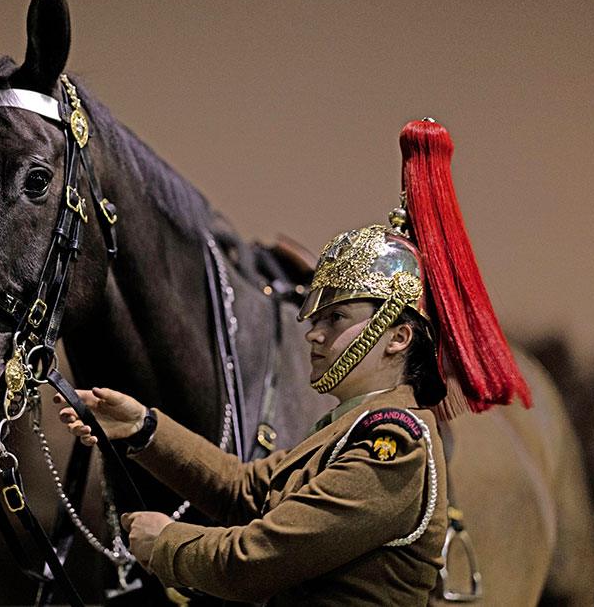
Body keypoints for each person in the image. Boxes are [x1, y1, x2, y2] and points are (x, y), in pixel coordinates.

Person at [57, 119, 530, 605]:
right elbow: (242, 490)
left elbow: (252, 561)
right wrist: (145, 429)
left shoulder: (394, 447)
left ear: (398, 337)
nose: (315, 334)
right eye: (316, 319)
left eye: (337, 318)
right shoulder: (342, 431)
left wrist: (166, 545)